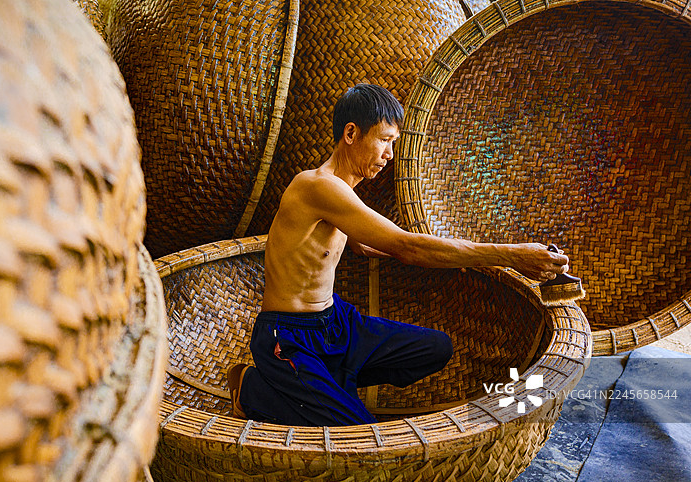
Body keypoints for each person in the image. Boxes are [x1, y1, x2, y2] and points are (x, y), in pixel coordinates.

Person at [228, 83, 569, 426]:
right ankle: (251, 388)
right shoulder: (318, 186)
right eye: (385, 140)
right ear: (351, 133)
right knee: (361, 433)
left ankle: (326, 385)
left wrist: (452, 257)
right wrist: (510, 255)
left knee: (435, 348)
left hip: (335, 323)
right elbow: (405, 246)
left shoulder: (344, 189)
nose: (390, 154)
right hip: (288, 338)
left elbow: (363, 243)